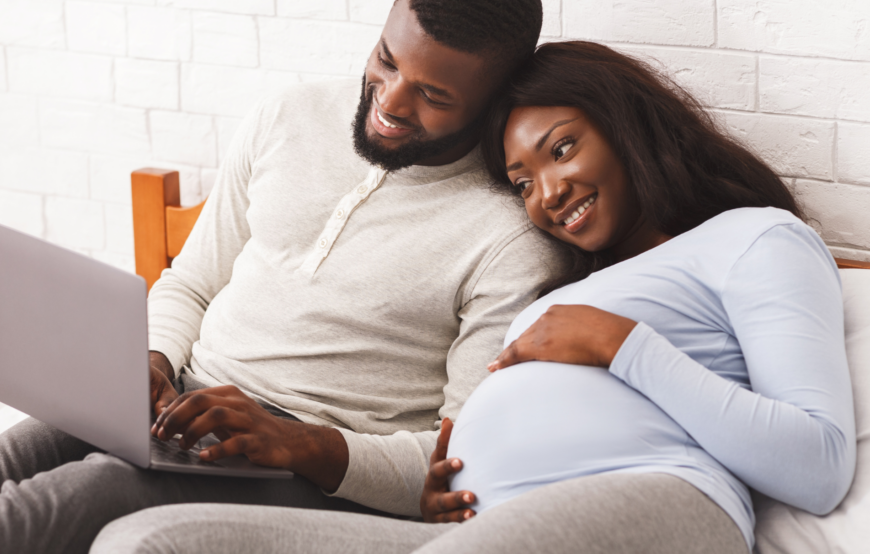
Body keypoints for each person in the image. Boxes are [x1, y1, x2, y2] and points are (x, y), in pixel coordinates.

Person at [0, 0, 558, 554]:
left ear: (493, 101)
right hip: (185, 400)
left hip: (308, 466)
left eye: (434, 96)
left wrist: (298, 443)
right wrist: (153, 359)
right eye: (386, 60)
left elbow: (455, 458)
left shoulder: (508, 238)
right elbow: (191, 280)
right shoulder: (289, 116)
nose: (390, 103)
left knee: (91, 491)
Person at [87, 41, 856, 554]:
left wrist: (621, 344)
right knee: (144, 543)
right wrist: (442, 478)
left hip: (661, 500)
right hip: (472, 526)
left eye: (562, 149)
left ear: (629, 127)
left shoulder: (755, 238)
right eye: (522, 183)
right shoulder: (565, 286)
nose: (548, 193)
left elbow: (818, 465)